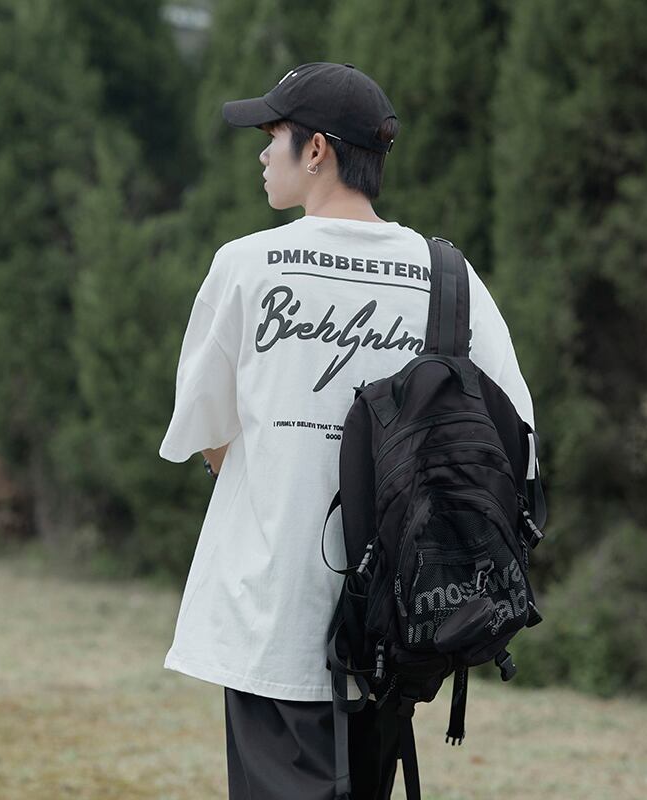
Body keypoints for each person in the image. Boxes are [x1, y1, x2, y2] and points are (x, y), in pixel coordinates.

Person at [158, 61, 536, 800]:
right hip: (402, 621)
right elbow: (515, 442)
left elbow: (206, 430)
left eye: (273, 135)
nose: (262, 152)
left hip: (275, 613)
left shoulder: (247, 266)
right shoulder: (448, 276)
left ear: (317, 150)